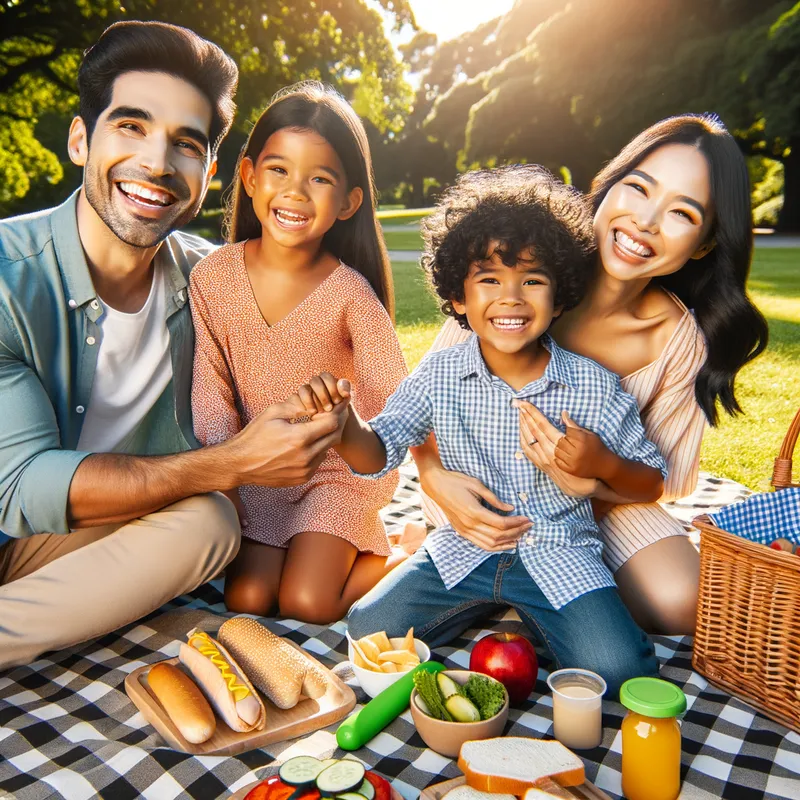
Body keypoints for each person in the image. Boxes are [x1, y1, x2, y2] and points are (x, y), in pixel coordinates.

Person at [0, 23, 347, 671]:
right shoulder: (7, 279)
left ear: (210, 172)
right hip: (14, 522)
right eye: (130, 126)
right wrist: (232, 462)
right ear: (81, 139)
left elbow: (289, 408)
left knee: (209, 523)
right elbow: (20, 487)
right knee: (210, 496)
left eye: (185, 144)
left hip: (75, 536)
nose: (157, 164)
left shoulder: (216, 282)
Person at [293, 165, 666, 697]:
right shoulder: (442, 372)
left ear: (559, 298)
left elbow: (650, 482)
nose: (511, 297)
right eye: (489, 279)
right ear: (459, 298)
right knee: (365, 627)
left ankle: (535, 615)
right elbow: (377, 452)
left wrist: (601, 464)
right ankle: (484, 599)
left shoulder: (594, 387)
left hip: (559, 552)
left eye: (532, 280)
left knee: (620, 673)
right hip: (463, 549)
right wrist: (344, 425)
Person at [413, 114, 768, 635]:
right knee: (495, 560)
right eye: (639, 189)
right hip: (481, 484)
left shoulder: (677, 340)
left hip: (603, 504)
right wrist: (434, 477)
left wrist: (586, 481)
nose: (646, 221)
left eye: (682, 213)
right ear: (609, 185)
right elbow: (422, 400)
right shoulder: (521, 271)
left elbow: (659, 481)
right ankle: (510, 583)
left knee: (683, 599)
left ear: (704, 245)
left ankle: (538, 590)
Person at [190, 82, 408, 625]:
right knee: (245, 600)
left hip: (333, 476)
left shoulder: (351, 295)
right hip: (260, 473)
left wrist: (350, 428)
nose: (295, 191)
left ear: (348, 201)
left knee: (307, 603)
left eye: (320, 178)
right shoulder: (212, 278)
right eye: (279, 170)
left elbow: (399, 411)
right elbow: (211, 397)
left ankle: (407, 553)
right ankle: (332, 553)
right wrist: (232, 475)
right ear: (249, 176)